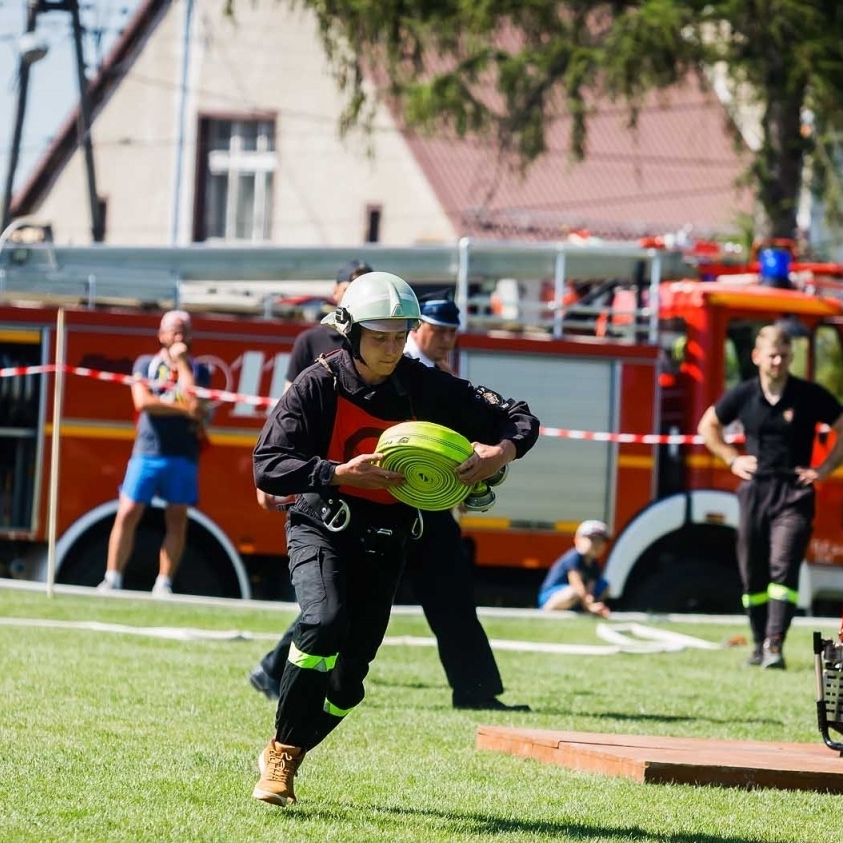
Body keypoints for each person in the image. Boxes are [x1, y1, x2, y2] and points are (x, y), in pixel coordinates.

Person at [249, 271, 540, 806]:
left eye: (400, 337)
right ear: (349, 331)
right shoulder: (318, 384)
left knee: (350, 682)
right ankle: (282, 759)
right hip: (321, 526)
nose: (391, 349)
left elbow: (519, 417)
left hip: (390, 540)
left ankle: (289, 746)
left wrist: (501, 452)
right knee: (323, 621)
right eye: (380, 337)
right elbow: (268, 465)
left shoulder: (424, 384)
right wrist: (338, 473)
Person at [697, 324, 843, 668]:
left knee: (783, 566)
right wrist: (731, 458)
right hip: (755, 489)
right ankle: (758, 644)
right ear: (757, 357)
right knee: (753, 571)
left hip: (794, 492)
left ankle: (775, 644)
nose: (778, 361)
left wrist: (825, 468)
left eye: (784, 356)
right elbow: (707, 425)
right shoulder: (742, 395)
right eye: (772, 355)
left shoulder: (808, 394)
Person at [97, 310, 207, 596]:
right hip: (147, 451)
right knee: (128, 512)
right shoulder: (146, 364)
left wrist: (182, 363)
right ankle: (112, 577)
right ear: (161, 334)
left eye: (184, 329)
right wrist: (183, 409)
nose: (179, 335)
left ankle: (164, 583)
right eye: (173, 329)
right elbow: (142, 402)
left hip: (183, 454)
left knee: (176, 518)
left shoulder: (199, 369)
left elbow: (196, 404)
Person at [287, 258, 373, 382]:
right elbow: (290, 393)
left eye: (363, 291)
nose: (356, 297)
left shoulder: (381, 341)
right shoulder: (310, 340)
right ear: (335, 291)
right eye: (348, 289)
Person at [539, 520, 612, 616]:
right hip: (553, 593)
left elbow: (591, 587)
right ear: (578, 539)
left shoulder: (594, 564)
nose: (597, 544)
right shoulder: (574, 557)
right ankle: (546, 611)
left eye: (601, 541)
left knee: (604, 585)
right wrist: (588, 605)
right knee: (573, 592)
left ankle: (587, 609)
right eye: (592, 539)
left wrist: (591, 603)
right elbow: (576, 584)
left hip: (577, 595)